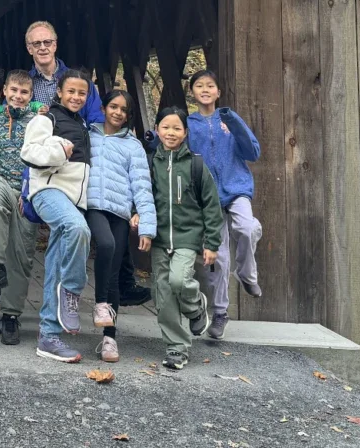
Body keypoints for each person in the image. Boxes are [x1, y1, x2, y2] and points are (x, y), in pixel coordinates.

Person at [20, 68, 94, 363]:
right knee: (79, 230)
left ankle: (48, 337)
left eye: (82, 93)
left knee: (54, 265)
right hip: (47, 192)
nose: (76, 97)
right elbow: (29, 153)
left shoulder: (84, 125)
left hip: (73, 199)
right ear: (59, 93)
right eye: (71, 91)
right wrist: (60, 153)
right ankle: (73, 292)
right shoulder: (46, 118)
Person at [186, 69, 263, 339]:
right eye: (199, 86)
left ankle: (246, 275)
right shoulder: (189, 124)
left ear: (218, 93)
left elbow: (253, 152)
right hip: (208, 197)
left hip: (237, 188)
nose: (205, 89)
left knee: (247, 229)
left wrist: (234, 124)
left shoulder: (230, 119)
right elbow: (177, 153)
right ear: (192, 92)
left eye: (210, 86)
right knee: (218, 257)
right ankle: (220, 314)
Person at [149, 105, 224, 370]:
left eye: (177, 128)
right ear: (157, 129)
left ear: (185, 132)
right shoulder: (151, 162)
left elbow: (211, 205)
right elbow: (143, 195)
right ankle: (176, 348)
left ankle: (195, 307)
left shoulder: (196, 164)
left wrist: (212, 243)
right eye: (165, 127)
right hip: (159, 239)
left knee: (179, 280)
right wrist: (137, 215)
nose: (170, 133)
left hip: (187, 237)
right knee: (164, 295)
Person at [86, 89, 156, 362]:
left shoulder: (133, 146)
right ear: (103, 108)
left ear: (129, 116)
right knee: (106, 244)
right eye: (113, 106)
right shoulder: (87, 135)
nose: (117, 113)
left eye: (123, 110)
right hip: (92, 205)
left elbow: (142, 187)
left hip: (119, 211)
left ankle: (109, 340)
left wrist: (147, 225)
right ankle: (101, 303)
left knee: (115, 268)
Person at [0, 68, 45, 346]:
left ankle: (11, 315)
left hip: (29, 190)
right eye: (13, 91)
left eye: (24, 92)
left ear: (31, 95)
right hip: (2, 183)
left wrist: (31, 191)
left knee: (21, 254)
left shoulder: (40, 121)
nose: (18, 96)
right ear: (5, 91)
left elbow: (46, 158)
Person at [24, 20, 104, 124]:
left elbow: (96, 117)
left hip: (76, 138)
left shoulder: (79, 80)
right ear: (29, 49)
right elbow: (8, 113)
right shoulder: (22, 83)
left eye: (47, 42)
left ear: (54, 45)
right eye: (37, 44)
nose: (43, 47)